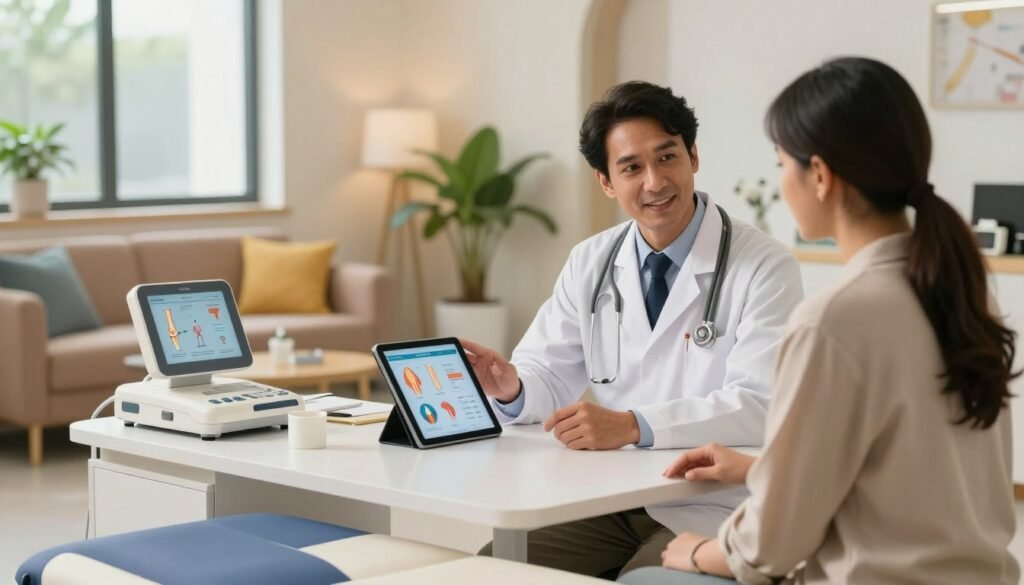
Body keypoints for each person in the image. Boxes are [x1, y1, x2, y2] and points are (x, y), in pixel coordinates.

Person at [619, 57, 1020, 585]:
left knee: (645, 578)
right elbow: (910, 475)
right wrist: (761, 469)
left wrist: (696, 553)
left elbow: (770, 549)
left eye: (782, 162)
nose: (781, 179)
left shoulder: (833, 321)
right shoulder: (963, 292)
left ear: (822, 176)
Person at [466, 81, 804, 577]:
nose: (654, 182)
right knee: (491, 572)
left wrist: (631, 425)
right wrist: (512, 386)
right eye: (631, 168)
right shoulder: (591, 260)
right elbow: (547, 371)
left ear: (693, 156)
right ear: (606, 181)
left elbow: (760, 403)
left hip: (712, 503)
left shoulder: (764, 266)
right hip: (610, 498)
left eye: (667, 158)